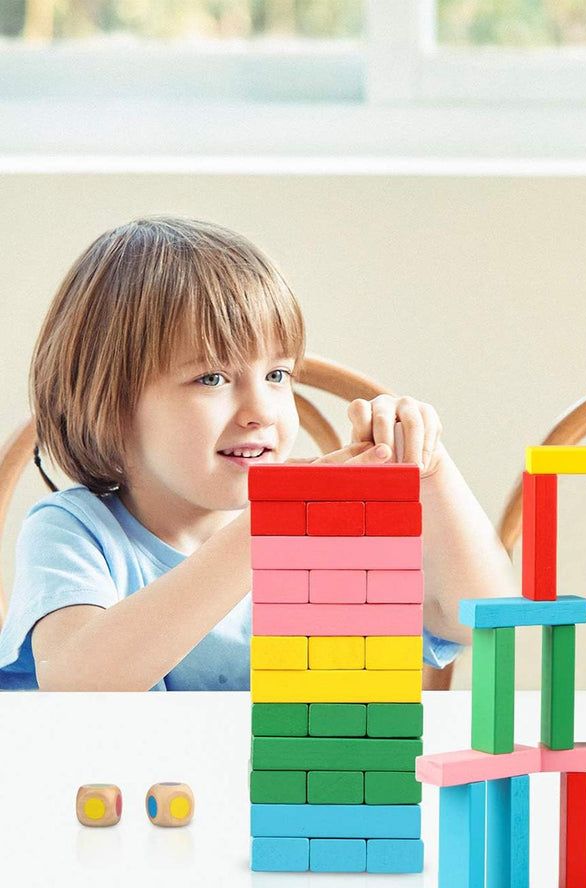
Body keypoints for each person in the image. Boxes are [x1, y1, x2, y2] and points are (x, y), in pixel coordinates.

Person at [0, 216, 515, 691]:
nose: (261, 411)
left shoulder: (325, 534)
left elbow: (480, 616)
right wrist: (269, 529)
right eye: (212, 378)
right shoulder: (74, 530)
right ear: (111, 405)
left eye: (276, 375)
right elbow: (79, 683)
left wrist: (434, 472)